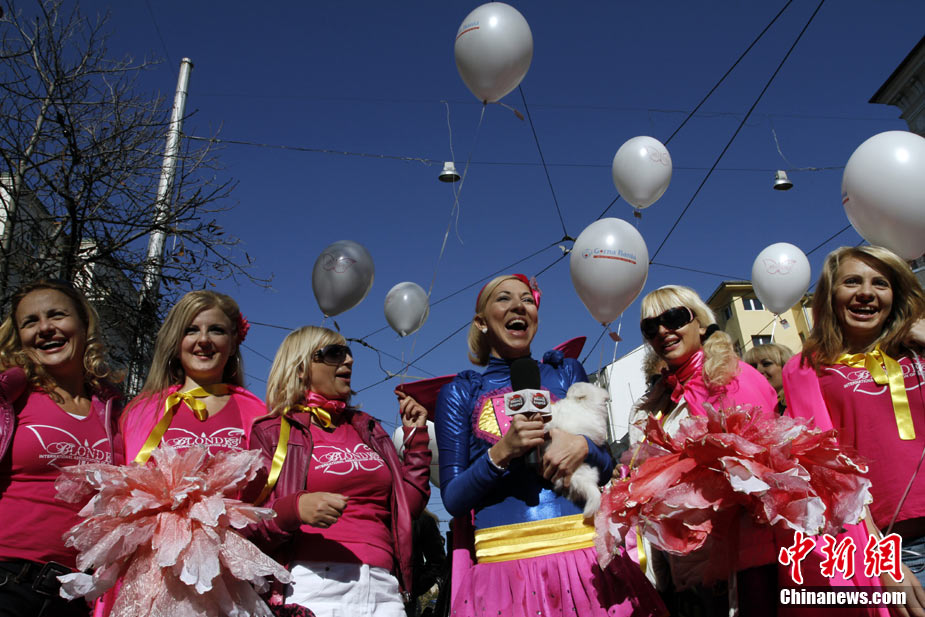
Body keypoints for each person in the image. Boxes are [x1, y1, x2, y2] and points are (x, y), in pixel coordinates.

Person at [435, 274, 663, 617]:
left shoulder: (566, 373)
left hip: (584, 562)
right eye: (504, 298)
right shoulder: (460, 393)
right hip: (504, 574)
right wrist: (501, 453)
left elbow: (605, 467)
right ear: (481, 322)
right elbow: (453, 498)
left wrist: (583, 446)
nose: (518, 306)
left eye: (527, 299)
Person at [247, 326, 431, 617]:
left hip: (383, 587)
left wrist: (417, 440)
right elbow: (252, 523)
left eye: (348, 352)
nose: (349, 360)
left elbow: (408, 508)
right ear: (301, 368)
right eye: (334, 353)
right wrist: (295, 508)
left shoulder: (368, 427)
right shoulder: (272, 431)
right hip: (314, 585)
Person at [783, 245, 925, 615]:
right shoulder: (808, 368)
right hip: (904, 549)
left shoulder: (917, 351)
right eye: (852, 282)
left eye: (880, 283)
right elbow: (828, 472)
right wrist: (881, 559)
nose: (866, 292)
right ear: (830, 294)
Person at [633, 285, 779, 616]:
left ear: (700, 323)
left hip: (739, 557)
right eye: (651, 327)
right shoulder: (666, 395)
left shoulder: (732, 378)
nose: (662, 331)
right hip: (687, 561)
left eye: (674, 318)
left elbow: (765, 472)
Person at [0, 279, 121, 617]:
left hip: (75, 594)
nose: (44, 328)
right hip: (7, 578)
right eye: (30, 321)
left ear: (84, 325)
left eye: (56, 315)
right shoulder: (10, 398)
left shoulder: (114, 410)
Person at [120, 290, 264, 463]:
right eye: (191, 330)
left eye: (216, 330)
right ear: (175, 342)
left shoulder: (259, 414)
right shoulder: (141, 411)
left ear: (233, 343)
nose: (203, 340)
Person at [743, 342, 793, 414]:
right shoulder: (748, 409)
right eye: (753, 367)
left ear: (785, 365)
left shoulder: (798, 401)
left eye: (766, 364)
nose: (758, 371)